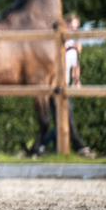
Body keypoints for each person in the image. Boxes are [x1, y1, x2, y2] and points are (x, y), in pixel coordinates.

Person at [38, 13, 95, 158]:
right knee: (66, 122)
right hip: (54, 87)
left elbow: (75, 66)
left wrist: (77, 80)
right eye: (70, 27)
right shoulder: (57, 42)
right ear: (64, 25)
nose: (72, 31)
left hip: (66, 87)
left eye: (75, 28)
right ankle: (81, 148)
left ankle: (39, 147)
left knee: (62, 124)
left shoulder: (74, 46)